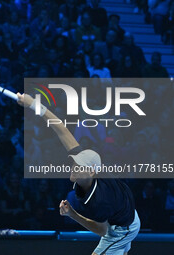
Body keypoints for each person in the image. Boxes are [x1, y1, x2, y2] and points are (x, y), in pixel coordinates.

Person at [16, 92, 140, 255]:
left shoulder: (101, 198)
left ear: (92, 171)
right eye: (75, 161)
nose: (74, 165)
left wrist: (72, 214)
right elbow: (60, 128)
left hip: (121, 229)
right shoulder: (93, 169)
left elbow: (103, 231)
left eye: (80, 165)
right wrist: (32, 104)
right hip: (122, 214)